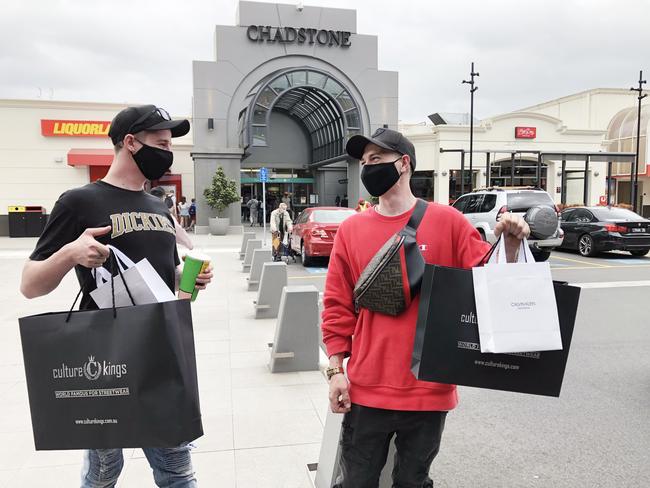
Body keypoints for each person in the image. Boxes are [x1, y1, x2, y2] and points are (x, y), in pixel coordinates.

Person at [321, 128, 530, 487]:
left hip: (428, 388)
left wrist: (509, 246)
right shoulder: (352, 230)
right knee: (356, 481)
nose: (368, 168)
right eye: (365, 162)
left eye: (377, 160)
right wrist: (336, 370)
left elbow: (488, 282)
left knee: (413, 481)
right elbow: (338, 305)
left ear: (404, 164)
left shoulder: (448, 221)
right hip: (368, 387)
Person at [20, 104, 214, 488]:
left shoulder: (160, 208)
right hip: (105, 363)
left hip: (160, 358)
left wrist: (190, 279)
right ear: (130, 143)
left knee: (178, 472)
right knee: (104, 473)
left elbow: (166, 276)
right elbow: (29, 284)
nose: (167, 151)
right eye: (160, 142)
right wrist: (71, 253)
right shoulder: (79, 202)